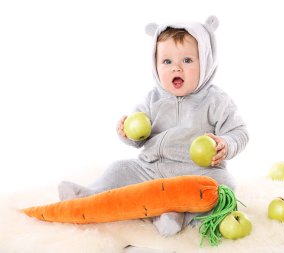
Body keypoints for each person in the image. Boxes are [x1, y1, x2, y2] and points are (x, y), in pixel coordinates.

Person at [58, 16, 249, 238]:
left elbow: (240, 132)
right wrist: (128, 133)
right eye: (167, 62)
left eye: (187, 60)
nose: (176, 68)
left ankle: (176, 214)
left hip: (194, 172)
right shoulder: (152, 98)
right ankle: (88, 196)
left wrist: (226, 144)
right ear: (156, 65)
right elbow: (139, 137)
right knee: (118, 169)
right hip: (151, 169)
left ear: (205, 62)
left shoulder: (217, 101)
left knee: (224, 187)